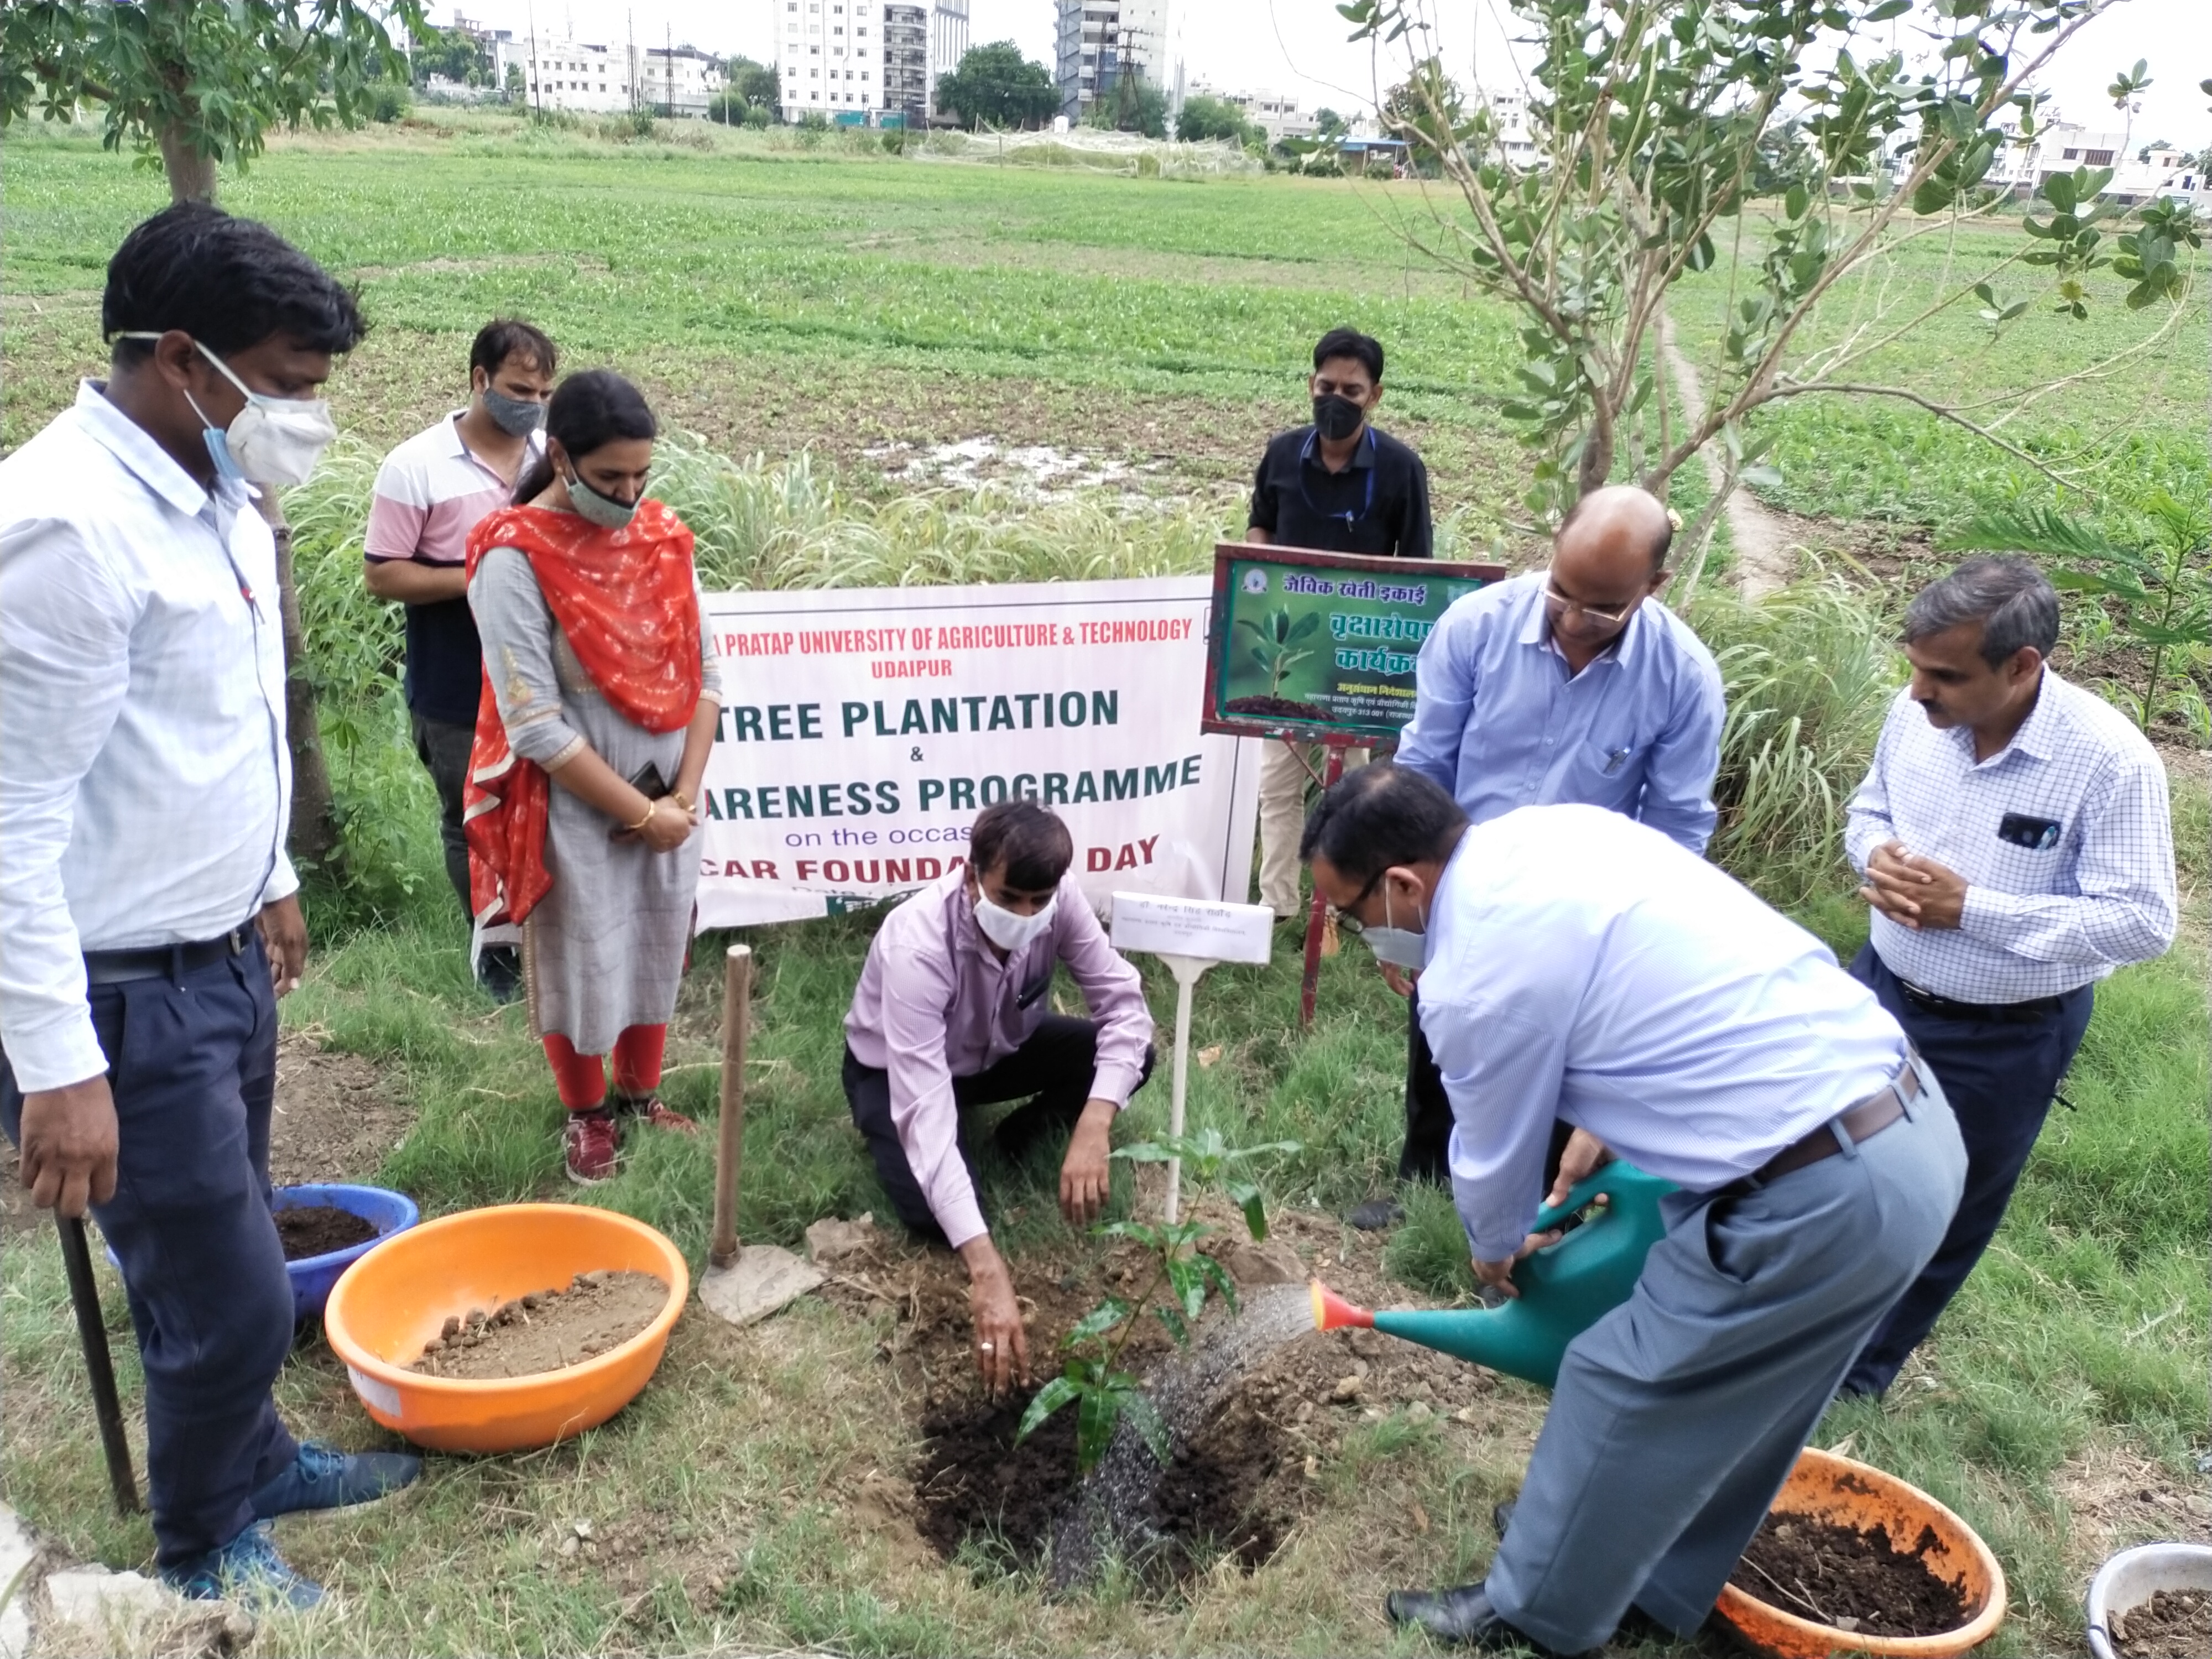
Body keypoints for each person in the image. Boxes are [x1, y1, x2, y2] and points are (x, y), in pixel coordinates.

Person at [1301, 766, 1965, 1657]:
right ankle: (1634, 1563)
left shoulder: (1468, 978)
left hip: (1819, 1187)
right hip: (1910, 1131)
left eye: (1351, 914)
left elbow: (1491, 1161)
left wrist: (1498, 1252)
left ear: (1403, 887)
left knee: (1620, 1382)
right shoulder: (1558, 834)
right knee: (1751, 1396)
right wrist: (1599, 1126)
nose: (1359, 936)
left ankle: (1534, 1612)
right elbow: (1646, 987)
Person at [0, 203, 419, 1609]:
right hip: (121, 987)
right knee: (227, 1290)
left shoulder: (215, 488)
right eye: (290, 384)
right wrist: (58, 1064)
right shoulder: (67, 526)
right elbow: (12, 817)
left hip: (221, 953)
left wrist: (274, 881)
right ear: (184, 357)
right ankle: (204, 1546)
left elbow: (214, 723)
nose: (304, 415)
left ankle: (256, 1461)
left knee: (237, 1216)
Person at [1839, 557, 2174, 1397]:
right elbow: (1870, 805)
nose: (1919, 693)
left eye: (1946, 675)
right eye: (1914, 667)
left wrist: (1973, 909)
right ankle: (1779, 1322)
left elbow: (2142, 920)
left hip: (2004, 1036)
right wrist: (1873, 853)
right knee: (1813, 1159)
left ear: (2022, 668)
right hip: (1877, 987)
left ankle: (1856, 1377)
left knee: (1942, 1208)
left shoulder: (2109, 763)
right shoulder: (1914, 714)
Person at [1352, 484, 1725, 1229]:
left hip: (1585, 912)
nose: (1573, 619)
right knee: (1442, 1049)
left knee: (1567, 1069)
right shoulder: (1476, 628)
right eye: (1561, 592)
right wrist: (1402, 921)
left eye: (1603, 608)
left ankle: (1541, 1216)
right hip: (1461, 887)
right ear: (1551, 551)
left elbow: (1677, 830)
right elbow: (1424, 773)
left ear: (1654, 587)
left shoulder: (1683, 678)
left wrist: (1638, 953)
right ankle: (1428, 1195)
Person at [465, 371, 723, 1186]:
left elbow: (709, 674)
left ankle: (641, 1094)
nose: (630, 493)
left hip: (672, 789)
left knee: (654, 935)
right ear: (563, 458)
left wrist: (680, 797)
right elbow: (534, 722)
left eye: (642, 475)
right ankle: (587, 1114)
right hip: (574, 798)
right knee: (580, 953)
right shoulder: (513, 557)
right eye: (611, 478)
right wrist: (639, 815)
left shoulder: (662, 538)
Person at [843, 801, 1156, 1397]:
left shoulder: (1060, 901)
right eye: (1010, 898)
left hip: (998, 1051)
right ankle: (938, 1157)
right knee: (934, 1215)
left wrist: (1094, 1126)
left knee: (1129, 1059)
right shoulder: (918, 945)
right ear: (971, 877)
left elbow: (1125, 1008)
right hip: (896, 1070)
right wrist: (987, 1272)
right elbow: (927, 1115)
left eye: (1039, 901)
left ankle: (1016, 1139)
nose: (1027, 914)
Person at [364, 320, 559, 1001]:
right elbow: (384, 575)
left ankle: (551, 942)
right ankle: (494, 956)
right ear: (479, 380)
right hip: (452, 679)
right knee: (469, 815)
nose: (530, 402)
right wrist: (484, 573)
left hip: (542, 676)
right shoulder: (414, 465)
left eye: (541, 391)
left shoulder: (550, 458)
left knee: (546, 810)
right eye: (517, 388)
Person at [1245, 326, 1432, 924]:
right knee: (1277, 783)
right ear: (1310, 385)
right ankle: (1276, 902)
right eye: (1326, 386)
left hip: (1357, 657)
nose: (1336, 399)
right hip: (1287, 656)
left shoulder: (1402, 469)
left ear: (1374, 396)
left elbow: (1419, 571)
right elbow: (1259, 531)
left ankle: (1352, 903)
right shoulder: (1280, 453)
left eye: (1351, 390)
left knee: (1355, 790)